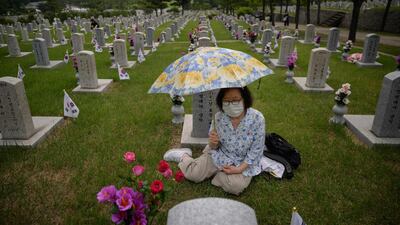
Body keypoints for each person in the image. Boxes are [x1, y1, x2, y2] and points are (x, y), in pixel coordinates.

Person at [163, 87, 266, 195]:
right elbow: (213, 146)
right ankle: (184, 156)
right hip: (220, 154)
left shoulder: (257, 119)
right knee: (194, 175)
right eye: (226, 101)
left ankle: (218, 174)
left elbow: (256, 149)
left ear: (245, 99)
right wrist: (213, 143)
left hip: (242, 161)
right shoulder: (219, 117)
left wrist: (239, 169)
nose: (231, 104)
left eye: (235, 100)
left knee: (235, 187)